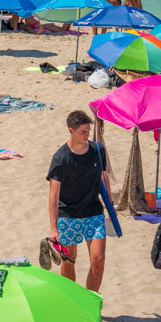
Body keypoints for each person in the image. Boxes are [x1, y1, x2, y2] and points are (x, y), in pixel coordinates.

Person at [46, 110, 109, 292]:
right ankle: (72, 301)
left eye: (88, 131)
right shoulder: (61, 158)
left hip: (93, 212)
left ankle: (90, 300)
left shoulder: (98, 150)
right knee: (69, 260)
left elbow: (103, 179)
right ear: (71, 131)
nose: (87, 135)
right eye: (83, 132)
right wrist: (53, 228)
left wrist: (110, 206)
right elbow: (53, 195)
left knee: (99, 259)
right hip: (68, 215)